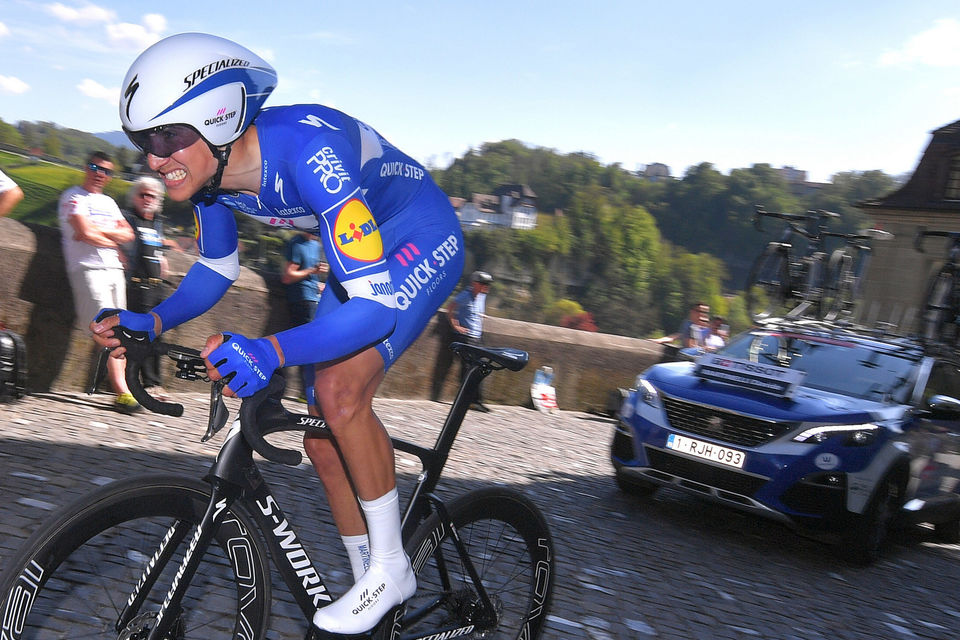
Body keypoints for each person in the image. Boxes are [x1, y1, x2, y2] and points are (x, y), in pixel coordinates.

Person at [91, 33, 464, 635]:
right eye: (145, 142)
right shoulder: (208, 178)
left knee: (340, 394)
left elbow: (373, 311)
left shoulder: (309, 154)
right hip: (363, 253)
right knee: (321, 431)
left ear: (219, 116)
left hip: (416, 230)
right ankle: (371, 579)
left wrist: (269, 350)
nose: (155, 159)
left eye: (167, 137)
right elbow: (216, 268)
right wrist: (154, 319)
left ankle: (393, 568)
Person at [60, 151, 138, 413]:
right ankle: (123, 392)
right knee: (106, 330)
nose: (100, 173)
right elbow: (82, 232)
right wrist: (110, 238)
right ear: (86, 167)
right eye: (95, 167)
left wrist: (99, 232)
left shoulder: (109, 202)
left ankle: (122, 387)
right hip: (88, 269)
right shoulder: (73, 197)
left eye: (106, 170)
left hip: (115, 270)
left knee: (121, 329)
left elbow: (128, 234)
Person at [121, 176, 179, 398]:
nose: (147, 199)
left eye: (152, 195)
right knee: (144, 337)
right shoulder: (128, 218)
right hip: (138, 286)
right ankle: (148, 384)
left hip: (157, 288)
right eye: (142, 194)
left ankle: (155, 383)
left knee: (158, 337)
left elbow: (156, 250)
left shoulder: (156, 222)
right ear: (134, 196)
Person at [430, 270, 492, 411]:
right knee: (468, 370)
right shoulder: (465, 295)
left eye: (487, 284)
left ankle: (476, 400)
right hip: (466, 338)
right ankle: (468, 400)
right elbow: (450, 308)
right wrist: (456, 326)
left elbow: (475, 311)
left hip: (477, 337)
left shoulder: (481, 296)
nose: (486, 287)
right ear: (475, 284)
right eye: (483, 283)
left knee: (480, 369)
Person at [280, 230, 328, 402]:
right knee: (308, 345)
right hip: (301, 300)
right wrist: (311, 271)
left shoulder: (316, 245)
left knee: (312, 345)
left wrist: (318, 283)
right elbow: (288, 276)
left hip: (313, 298)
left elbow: (310, 276)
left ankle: (307, 390)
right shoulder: (296, 243)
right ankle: (306, 391)